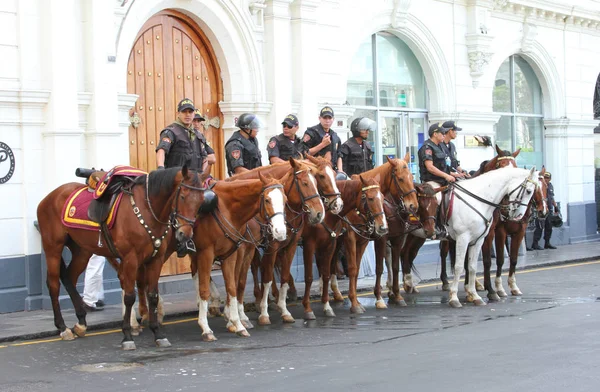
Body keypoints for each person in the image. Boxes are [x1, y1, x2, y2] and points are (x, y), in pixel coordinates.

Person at [418, 122, 454, 236]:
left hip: (443, 180)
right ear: (435, 134)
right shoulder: (427, 147)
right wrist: (446, 176)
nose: (444, 135)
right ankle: (436, 226)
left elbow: (443, 167)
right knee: (437, 199)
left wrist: (453, 174)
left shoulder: (441, 147)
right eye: (442, 133)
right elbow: (430, 167)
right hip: (432, 181)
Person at [155, 98, 207, 171]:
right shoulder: (171, 131)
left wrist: (203, 175)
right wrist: (160, 167)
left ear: (194, 114)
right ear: (178, 113)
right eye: (184, 112)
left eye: (190, 112)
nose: (187, 115)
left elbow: (205, 158)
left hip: (195, 178)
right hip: (176, 178)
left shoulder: (198, 135)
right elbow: (162, 150)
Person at [301, 106, 343, 171]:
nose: (327, 121)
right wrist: (322, 144)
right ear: (320, 118)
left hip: (332, 171)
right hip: (315, 170)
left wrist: (340, 170)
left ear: (333, 119)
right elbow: (304, 153)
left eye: (330, 118)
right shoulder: (311, 132)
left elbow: (339, 155)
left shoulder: (335, 136)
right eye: (325, 118)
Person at [530, 171, 559, 250]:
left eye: (547, 178)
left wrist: (555, 206)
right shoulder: (540, 185)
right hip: (541, 209)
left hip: (549, 209)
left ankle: (547, 243)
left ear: (550, 179)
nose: (546, 179)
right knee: (539, 226)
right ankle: (535, 243)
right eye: (545, 178)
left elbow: (551, 197)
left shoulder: (550, 186)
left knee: (549, 227)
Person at [192, 109, 216, 173]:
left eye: (198, 121)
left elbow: (213, 158)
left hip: (200, 172)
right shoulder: (184, 136)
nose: (196, 124)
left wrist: (203, 159)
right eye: (194, 121)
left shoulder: (200, 136)